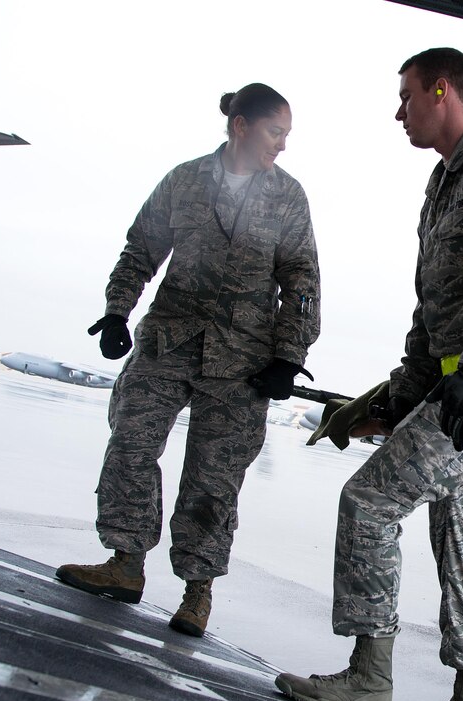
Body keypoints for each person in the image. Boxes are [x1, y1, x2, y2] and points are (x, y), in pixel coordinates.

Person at [274, 48, 463, 701]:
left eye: (406, 96)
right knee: (455, 529)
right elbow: (432, 306)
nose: (398, 111)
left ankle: (368, 680)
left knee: (369, 502)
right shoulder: (440, 184)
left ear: (443, 91)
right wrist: (402, 393)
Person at [54, 84, 320, 637]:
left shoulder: (288, 197)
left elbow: (301, 279)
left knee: (214, 476)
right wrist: (116, 312)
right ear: (240, 126)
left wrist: (289, 355)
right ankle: (125, 563)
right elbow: (141, 248)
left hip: (244, 356)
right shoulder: (184, 180)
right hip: (168, 339)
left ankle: (198, 592)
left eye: (288, 136)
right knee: (130, 441)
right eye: (276, 132)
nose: (283, 145)